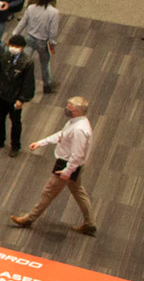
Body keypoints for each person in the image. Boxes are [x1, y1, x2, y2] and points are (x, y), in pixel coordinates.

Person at [11, 96, 98, 236]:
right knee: (78, 192)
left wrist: (67, 172)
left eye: (69, 107)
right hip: (73, 166)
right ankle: (90, 223)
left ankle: (29, 219)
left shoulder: (79, 130)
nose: (66, 109)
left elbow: (77, 155)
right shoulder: (76, 123)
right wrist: (42, 142)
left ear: (76, 111)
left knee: (48, 192)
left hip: (67, 165)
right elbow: (63, 135)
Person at [0, 34, 35, 155]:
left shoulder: (27, 62)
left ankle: (15, 146)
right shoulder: (4, 55)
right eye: (12, 45)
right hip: (1, 94)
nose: (13, 48)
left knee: (16, 122)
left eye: (16, 46)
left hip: (14, 98)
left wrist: (21, 99)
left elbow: (28, 83)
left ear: (22, 48)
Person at [20, 0, 60, 94]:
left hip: (29, 39)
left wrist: (15, 34)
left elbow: (23, 23)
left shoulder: (31, 8)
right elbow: (53, 31)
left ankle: (18, 82)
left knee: (23, 62)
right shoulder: (54, 13)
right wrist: (52, 43)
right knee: (45, 64)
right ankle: (47, 85)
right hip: (43, 42)